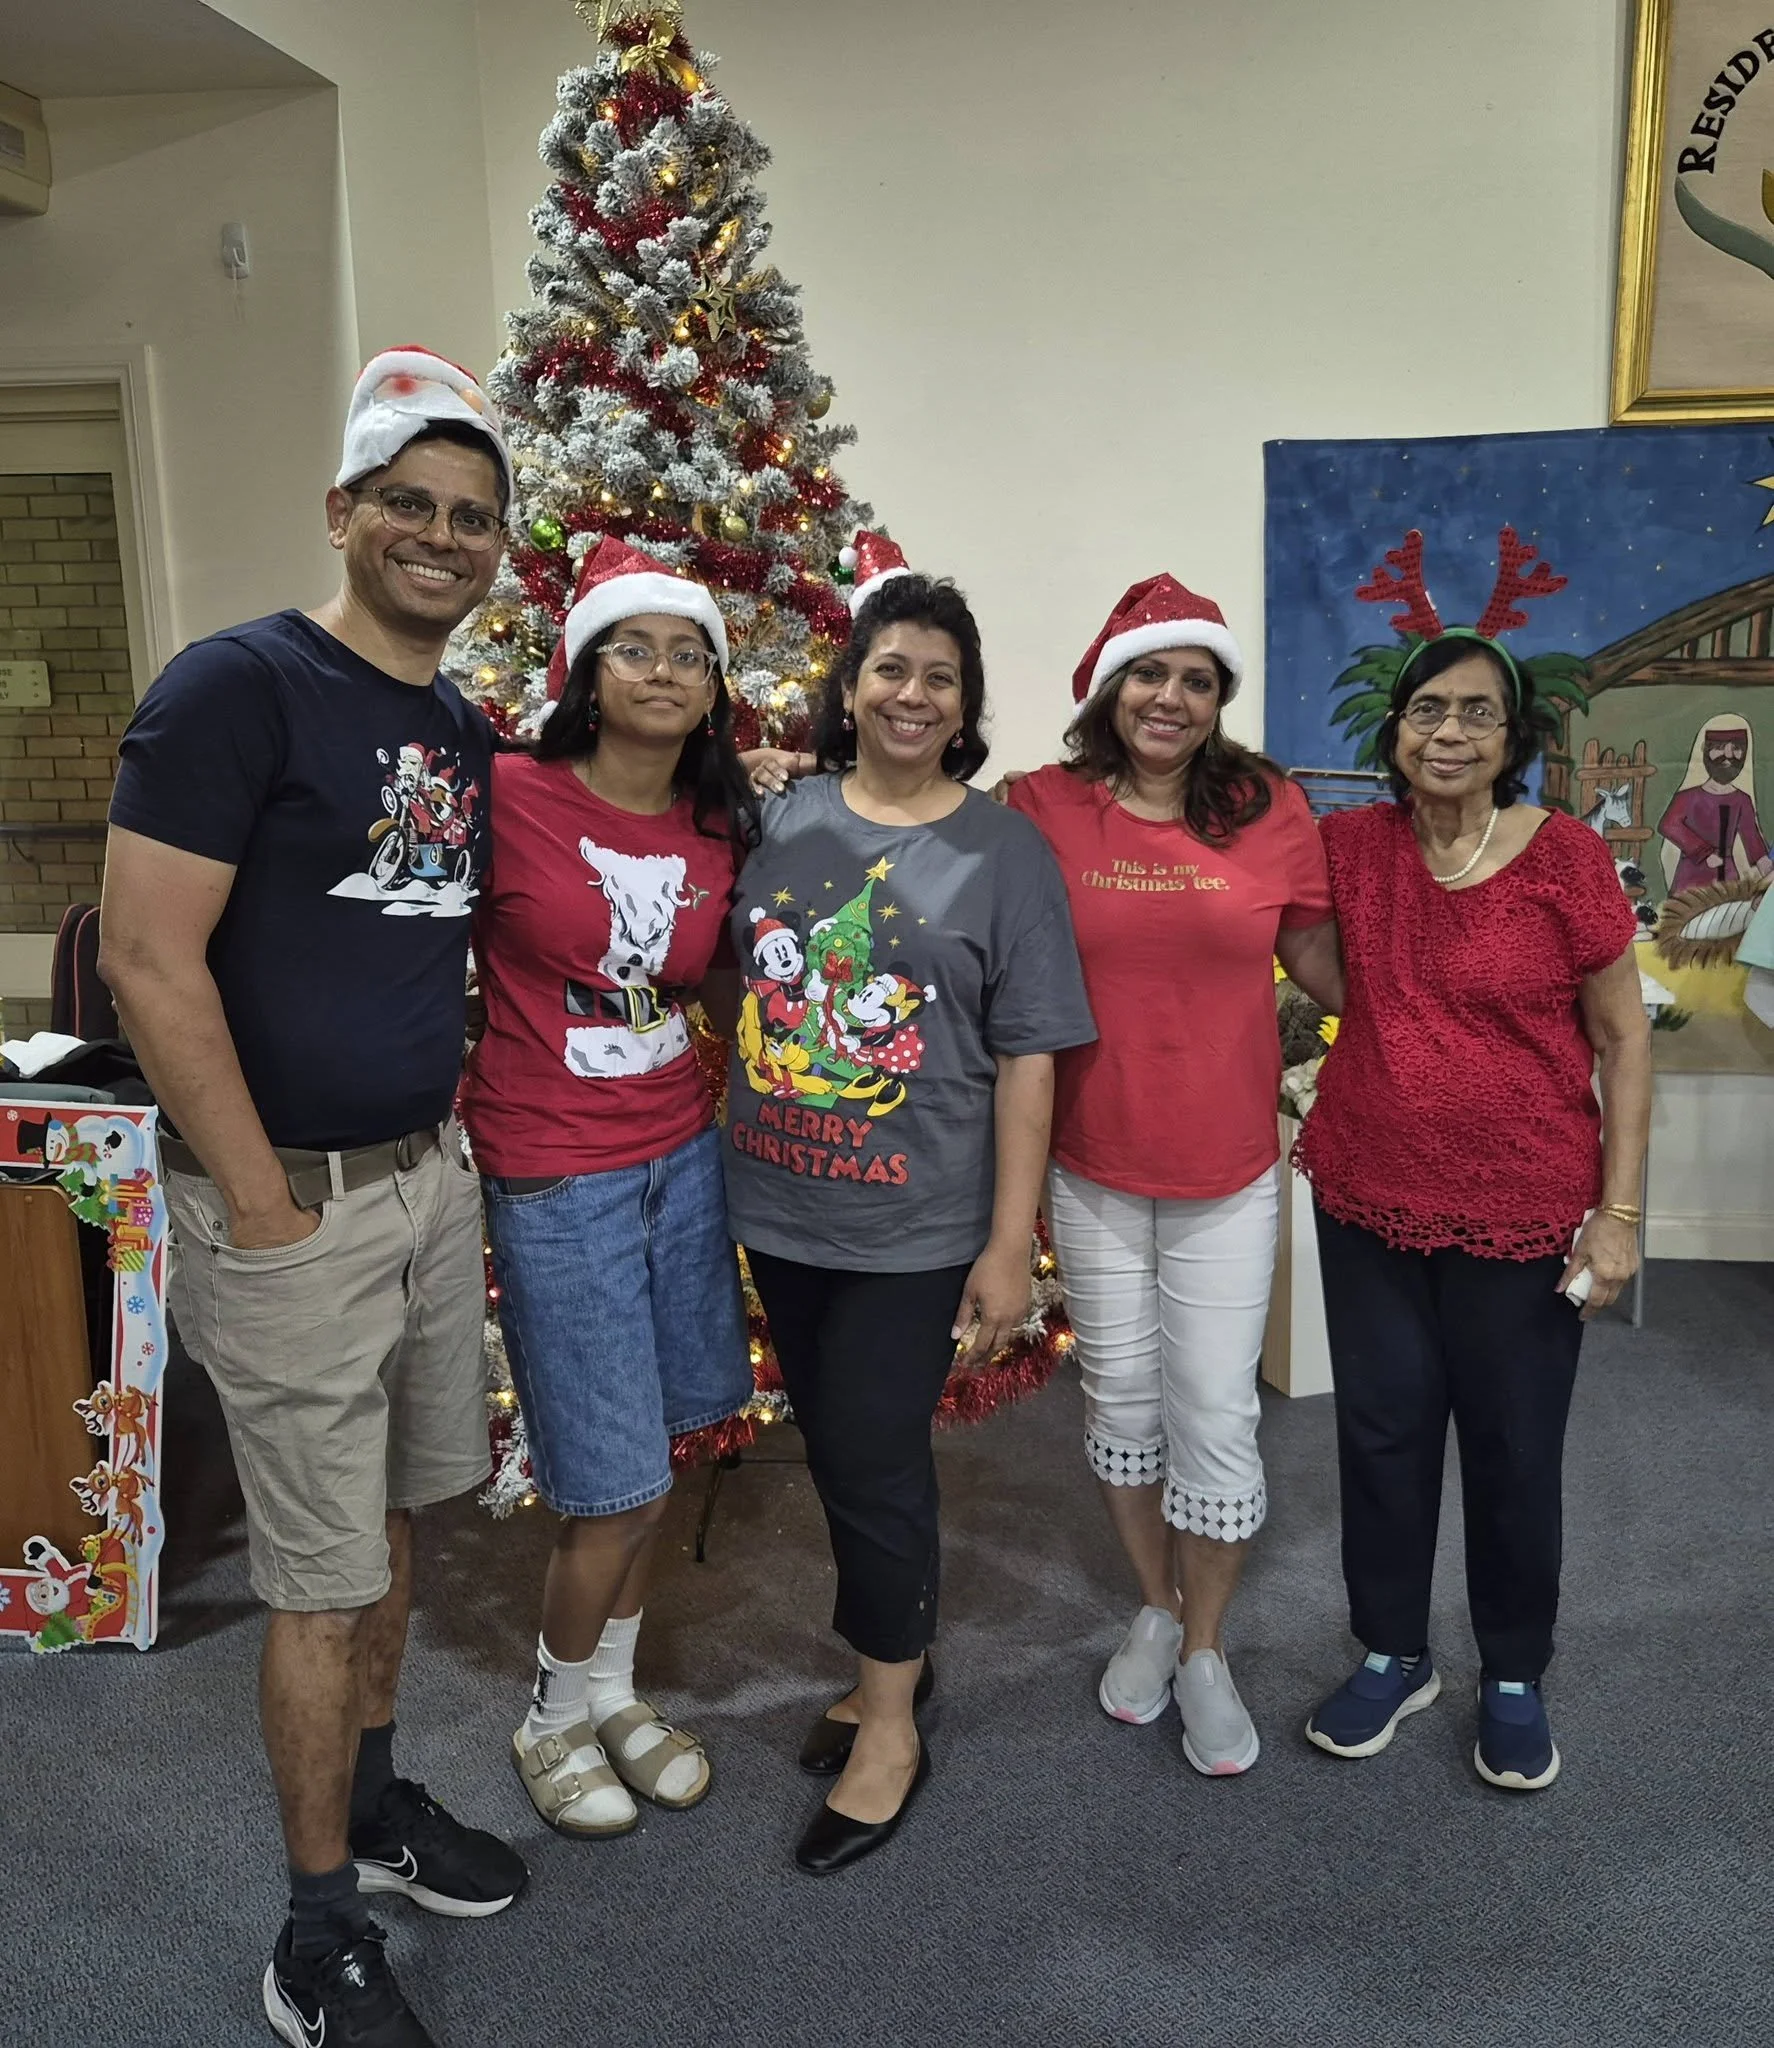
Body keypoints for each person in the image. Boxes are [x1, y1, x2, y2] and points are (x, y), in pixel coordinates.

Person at [100, 349, 528, 2048]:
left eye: (471, 518)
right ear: (341, 513)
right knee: (317, 1575)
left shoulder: (451, 727)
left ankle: (373, 1797)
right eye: (408, 505)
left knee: (394, 1534)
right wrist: (266, 1199)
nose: (440, 537)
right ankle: (314, 1923)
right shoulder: (236, 686)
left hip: (426, 1189)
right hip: (293, 1215)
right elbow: (145, 953)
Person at [722, 564, 1096, 1873]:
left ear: (964, 705)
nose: (911, 691)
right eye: (890, 667)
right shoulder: (779, 817)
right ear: (850, 684)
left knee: (876, 1461)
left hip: (915, 1224)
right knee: (836, 1450)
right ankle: (897, 1655)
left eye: (939, 675)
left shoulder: (1001, 853)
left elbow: (1033, 1052)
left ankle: (890, 1720)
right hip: (776, 1201)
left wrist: (1009, 1240)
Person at [1293, 622, 1650, 1792]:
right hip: (1368, 1199)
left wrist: (1622, 1212)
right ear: (1394, 729)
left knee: (1509, 1447)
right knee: (1383, 1437)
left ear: (1513, 736)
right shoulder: (1349, 845)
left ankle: (1511, 1670)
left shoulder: (1562, 858)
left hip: (1526, 1210)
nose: (1448, 730)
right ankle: (1394, 1650)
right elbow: (1304, 945)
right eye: (1427, 709)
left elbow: (1621, 1037)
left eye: (1476, 712)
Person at [1004, 575, 1340, 1775]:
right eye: (1152, 672)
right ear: (1110, 684)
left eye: (1198, 680)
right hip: (1092, 1168)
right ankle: (1153, 1604)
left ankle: (1205, 1647)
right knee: (1123, 1409)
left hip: (1227, 1173)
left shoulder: (1268, 808)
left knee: (1215, 1412)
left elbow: (1316, 954)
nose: (1172, 696)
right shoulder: (1040, 805)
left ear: (1218, 700)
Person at [460, 536, 756, 1838]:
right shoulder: (506, 789)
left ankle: (614, 1693)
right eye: (636, 644)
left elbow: (728, 978)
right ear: (588, 665)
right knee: (611, 1478)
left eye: (689, 652)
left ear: (712, 687)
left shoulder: (715, 826)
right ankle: (547, 1712)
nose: (662, 669)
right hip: (554, 1171)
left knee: (674, 1442)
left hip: (679, 1159)